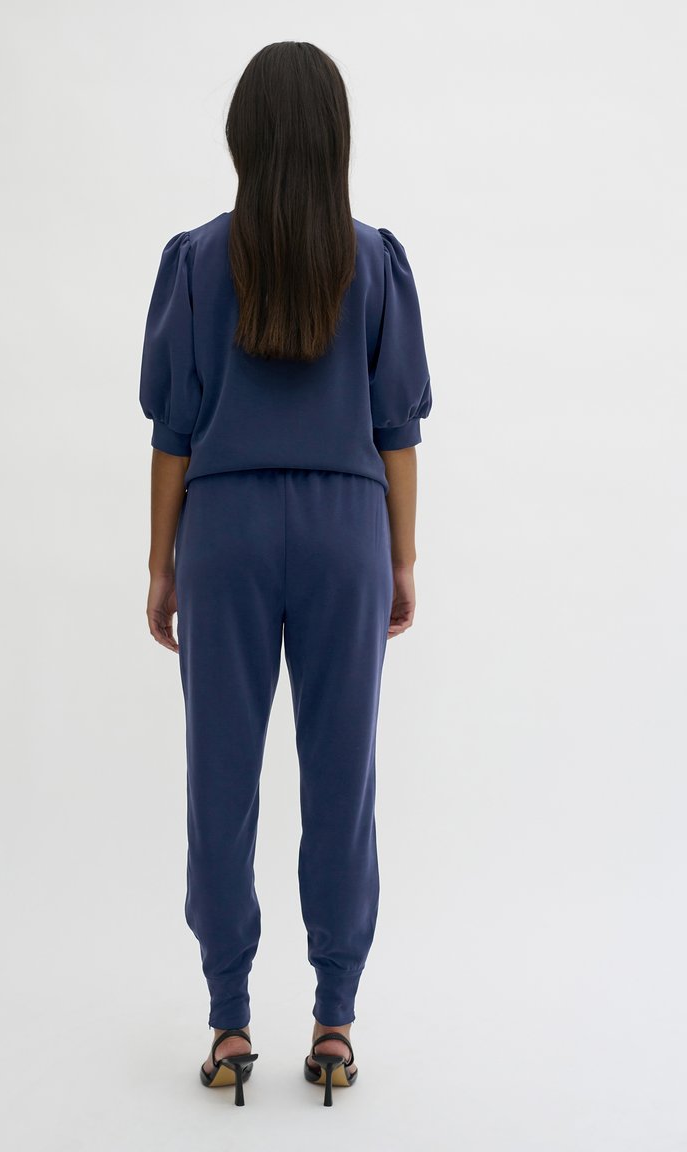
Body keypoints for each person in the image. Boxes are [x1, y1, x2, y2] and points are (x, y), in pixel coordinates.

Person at [139, 41, 432, 1107]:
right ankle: (334, 1023)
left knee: (219, 780)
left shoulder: (195, 261)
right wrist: (400, 555)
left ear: (243, 136)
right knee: (341, 780)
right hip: (347, 526)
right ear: (334, 137)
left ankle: (229, 1025)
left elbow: (172, 430)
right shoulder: (376, 260)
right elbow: (397, 427)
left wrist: (160, 564)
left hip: (223, 528)